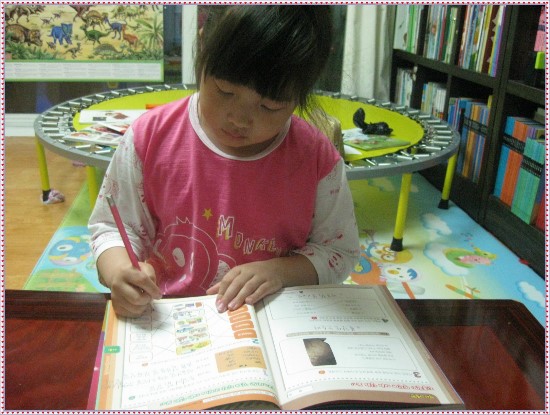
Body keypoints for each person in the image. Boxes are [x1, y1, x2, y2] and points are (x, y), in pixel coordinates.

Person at [88, 5, 360, 317]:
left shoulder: (316, 158)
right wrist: (119, 272)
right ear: (203, 45)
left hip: (273, 321)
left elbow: (339, 251)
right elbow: (111, 227)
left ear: (301, 94)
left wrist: (279, 271)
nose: (239, 120)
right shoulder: (150, 137)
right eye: (225, 91)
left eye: (269, 107)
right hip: (167, 316)